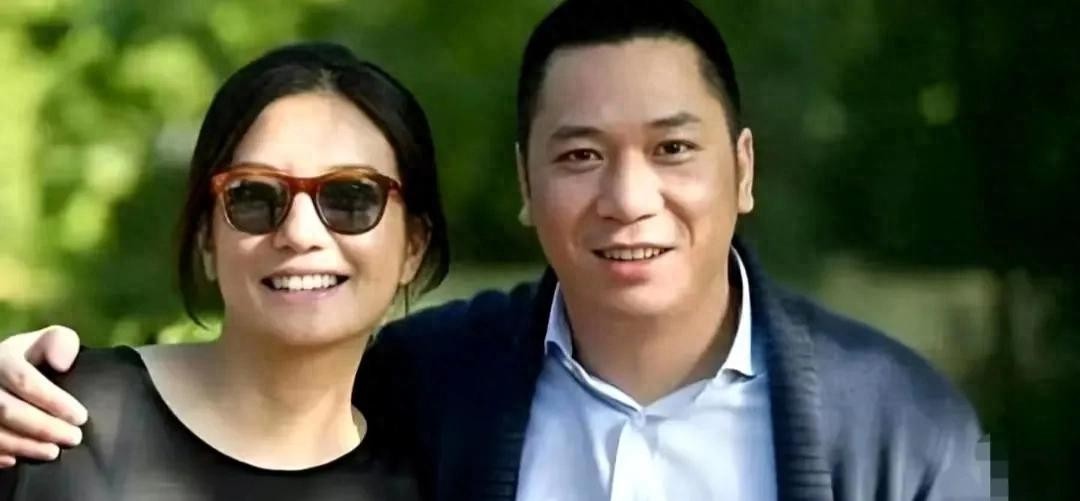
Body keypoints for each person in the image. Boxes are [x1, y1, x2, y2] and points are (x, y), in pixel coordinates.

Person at [0, 1, 991, 500]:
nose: (628, 199)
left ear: (742, 169)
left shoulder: (894, 424)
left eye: (672, 149)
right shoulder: (433, 387)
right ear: (524, 181)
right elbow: (260, 393)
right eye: (580, 155)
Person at [0, 41, 449, 500]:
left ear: (414, 246)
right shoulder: (49, 417)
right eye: (253, 195)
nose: (300, 233)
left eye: (351, 196)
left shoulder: (429, 480)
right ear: (207, 239)